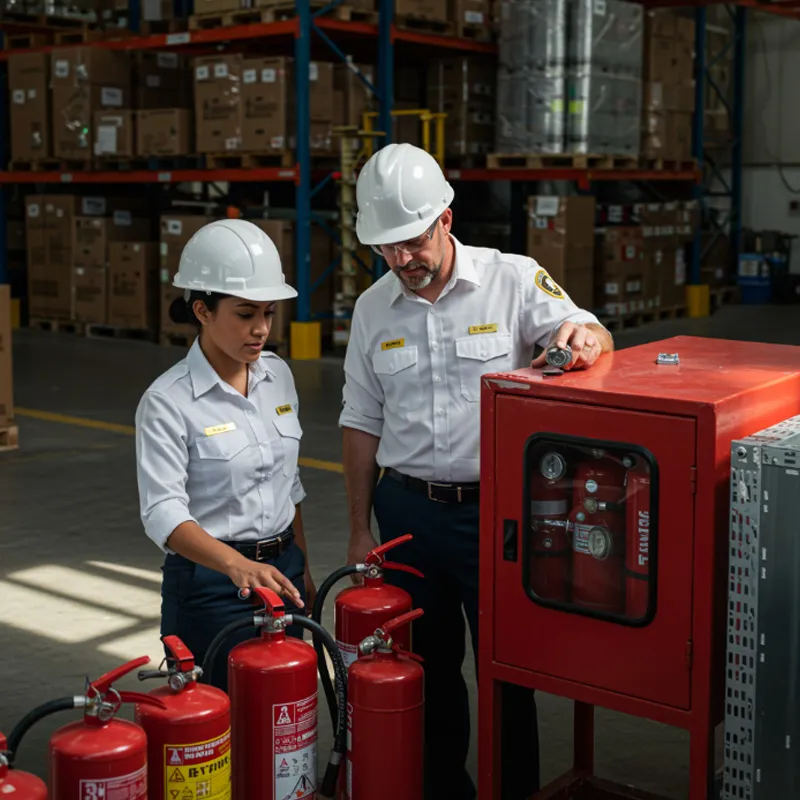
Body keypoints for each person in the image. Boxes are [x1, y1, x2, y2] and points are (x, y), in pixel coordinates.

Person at [338, 143, 613, 800]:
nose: (401, 261)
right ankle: (443, 790)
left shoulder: (513, 279)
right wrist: (357, 528)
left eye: (410, 242)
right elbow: (360, 419)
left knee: (506, 672)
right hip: (404, 515)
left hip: (498, 516)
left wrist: (586, 341)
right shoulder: (373, 309)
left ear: (446, 219)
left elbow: (590, 330)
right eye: (386, 249)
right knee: (425, 669)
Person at [134, 219, 315, 691]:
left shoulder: (277, 376)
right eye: (245, 314)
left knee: (280, 722)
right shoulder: (168, 401)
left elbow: (287, 484)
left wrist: (303, 566)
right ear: (203, 310)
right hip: (210, 589)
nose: (261, 330)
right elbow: (162, 514)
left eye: (269, 314)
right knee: (213, 729)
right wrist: (236, 565)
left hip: (282, 574)